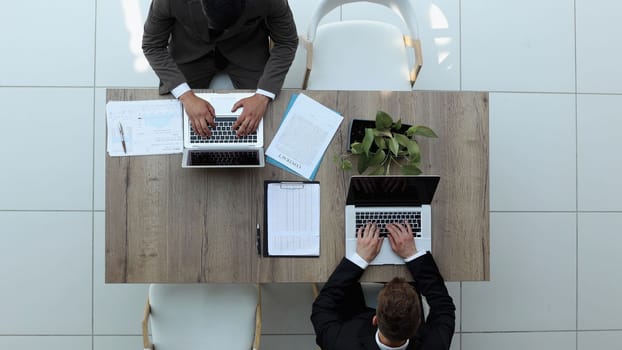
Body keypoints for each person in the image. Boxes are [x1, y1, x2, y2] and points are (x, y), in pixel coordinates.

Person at [142, 0, 298, 137]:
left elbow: (287, 43)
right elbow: (152, 45)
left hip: (246, 48)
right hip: (191, 51)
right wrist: (186, 96)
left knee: (266, 122)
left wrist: (263, 95)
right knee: (174, 124)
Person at [311, 222, 455, 350]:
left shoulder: (340, 343)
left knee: (345, 291)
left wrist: (360, 259)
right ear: (417, 323)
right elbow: (443, 307)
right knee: (406, 275)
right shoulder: (435, 345)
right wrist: (412, 256)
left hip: (355, 321)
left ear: (375, 319)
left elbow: (322, 306)